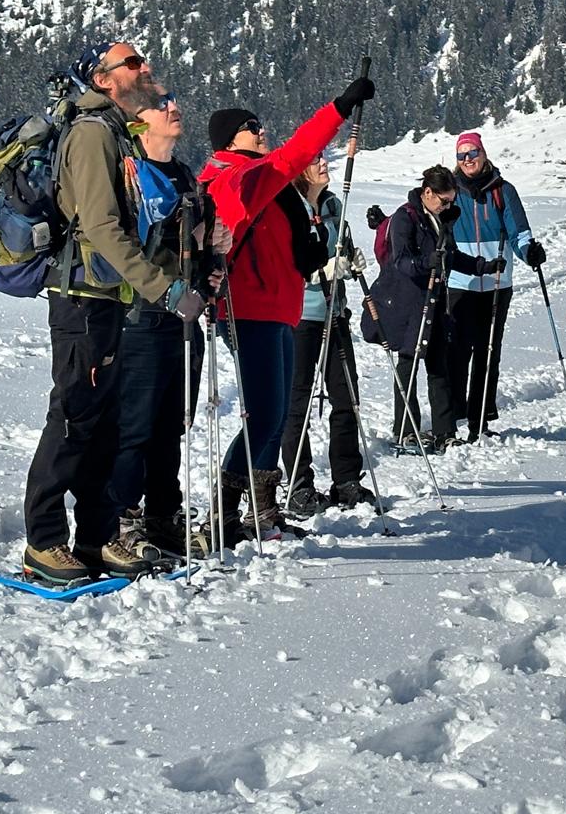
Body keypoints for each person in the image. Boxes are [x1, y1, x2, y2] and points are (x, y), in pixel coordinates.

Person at [23, 41, 206, 585]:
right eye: (132, 63)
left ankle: (96, 538)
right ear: (104, 80)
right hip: (81, 301)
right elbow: (103, 229)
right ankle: (44, 543)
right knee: (74, 420)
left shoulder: (113, 133)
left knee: (102, 426)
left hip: (107, 301)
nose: (144, 68)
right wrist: (164, 290)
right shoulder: (91, 134)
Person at [199, 74, 374, 540]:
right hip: (249, 310)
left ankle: (258, 511)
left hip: (279, 309)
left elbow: (299, 247)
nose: (261, 131)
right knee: (266, 414)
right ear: (229, 139)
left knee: (270, 416)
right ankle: (228, 512)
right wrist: (338, 107)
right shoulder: (237, 177)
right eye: (250, 126)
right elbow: (294, 154)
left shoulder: (269, 189)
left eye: (259, 124)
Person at [101, 90, 214, 566]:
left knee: (172, 423)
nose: (173, 107)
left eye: (173, 99)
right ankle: (120, 523)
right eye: (160, 103)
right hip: (141, 315)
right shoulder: (129, 174)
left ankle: (163, 516)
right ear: (138, 120)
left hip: (183, 313)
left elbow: (197, 245)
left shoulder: (184, 175)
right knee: (137, 425)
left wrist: (211, 256)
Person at [361, 165, 503, 452]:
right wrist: (427, 262)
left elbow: (449, 256)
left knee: (440, 367)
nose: (447, 206)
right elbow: (401, 261)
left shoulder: (440, 220)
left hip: (435, 302)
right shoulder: (405, 218)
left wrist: (481, 266)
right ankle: (405, 430)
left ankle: (445, 431)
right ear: (427, 192)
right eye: (444, 200)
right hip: (406, 304)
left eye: (451, 201)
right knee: (408, 366)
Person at [276, 153, 373, 515]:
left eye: (323, 158)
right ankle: (299, 485)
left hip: (335, 313)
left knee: (346, 395)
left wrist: (348, 262)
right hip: (300, 315)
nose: (323, 163)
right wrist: (325, 269)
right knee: (297, 401)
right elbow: (287, 264)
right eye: (315, 159)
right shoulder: (290, 207)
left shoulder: (333, 206)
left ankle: (346, 479)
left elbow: (340, 248)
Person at [445, 132, 545, 441]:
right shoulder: (451, 191)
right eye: (462, 155)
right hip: (460, 282)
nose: (468, 160)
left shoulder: (503, 191)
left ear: (484, 153)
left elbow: (519, 232)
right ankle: (453, 417)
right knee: (457, 352)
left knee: (488, 352)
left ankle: (480, 421)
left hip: (497, 285)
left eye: (473, 152)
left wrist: (530, 252)